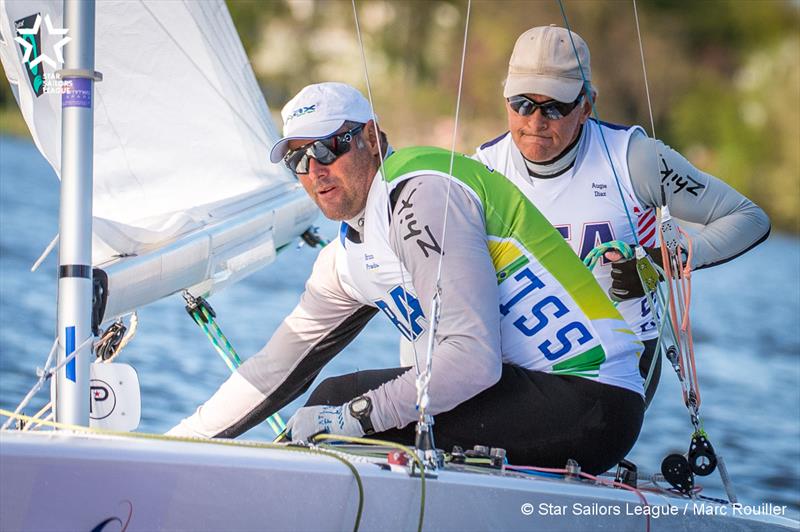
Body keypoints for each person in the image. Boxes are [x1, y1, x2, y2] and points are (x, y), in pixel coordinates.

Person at [169, 81, 646, 474]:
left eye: (327, 148)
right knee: (325, 405)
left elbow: (473, 360)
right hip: (521, 395)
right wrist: (170, 447)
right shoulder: (343, 262)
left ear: (372, 139)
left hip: (593, 399)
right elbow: (272, 371)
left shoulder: (421, 192)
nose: (314, 171)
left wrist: (353, 416)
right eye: (298, 160)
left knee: (337, 402)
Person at [474, 26, 771, 407]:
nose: (535, 121)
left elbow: (748, 219)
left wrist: (655, 265)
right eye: (522, 104)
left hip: (618, 363)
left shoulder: (635, 159)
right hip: (516, 358)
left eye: (554, 107)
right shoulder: (482, 170)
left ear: (586, 105)